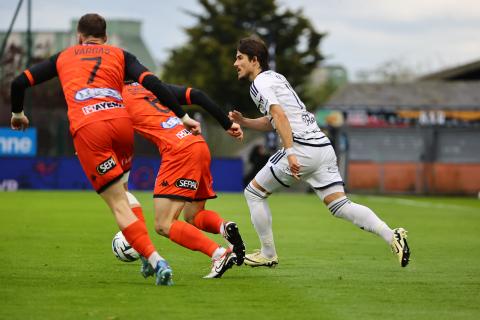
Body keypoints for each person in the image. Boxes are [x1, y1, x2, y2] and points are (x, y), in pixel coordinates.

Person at [9, 13, 201, 286]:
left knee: (117, 203)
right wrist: (182, 116)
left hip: (90, 127)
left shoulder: (64, 56)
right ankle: (146, 254)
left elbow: (19, 83)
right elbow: (154, 84)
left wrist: (17, 113)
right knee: (122, 189)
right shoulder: (120, 54)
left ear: (79, 36)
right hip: (121, 124)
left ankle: (156, 259)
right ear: (105, 37)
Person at [229, 36, 410, 268]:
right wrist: (244, 121)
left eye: (239, 58)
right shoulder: (276, 78)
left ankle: (268, 253)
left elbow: (280, 116)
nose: (235, 63)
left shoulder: (260, 84)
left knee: (253, 193)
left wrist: (291, 152)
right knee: (341, 205)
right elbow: (274, 119)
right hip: (323, 147)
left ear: (254, 60)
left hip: (302, 148)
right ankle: (391, 235)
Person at [122, 81, 246, 278]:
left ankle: (219, 254)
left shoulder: (115, 98)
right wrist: (227, 123)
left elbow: (117, 135)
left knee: (164, 224)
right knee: (193, 216)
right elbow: (197, 95)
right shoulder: (152, 87)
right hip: (197, 145)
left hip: (179, 152)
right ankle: (224, 227)